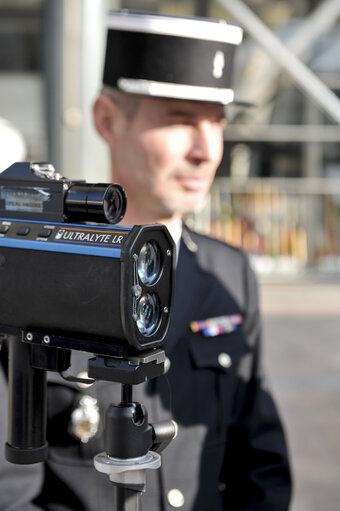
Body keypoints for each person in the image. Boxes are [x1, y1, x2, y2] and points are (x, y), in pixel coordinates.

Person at [0, 10, 292, 510]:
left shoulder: (229, 274)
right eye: (180, 120)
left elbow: (260, 470)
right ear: (107, 120)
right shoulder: (35, 271)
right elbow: (10, 492)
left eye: (217, 123)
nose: (206, 150)